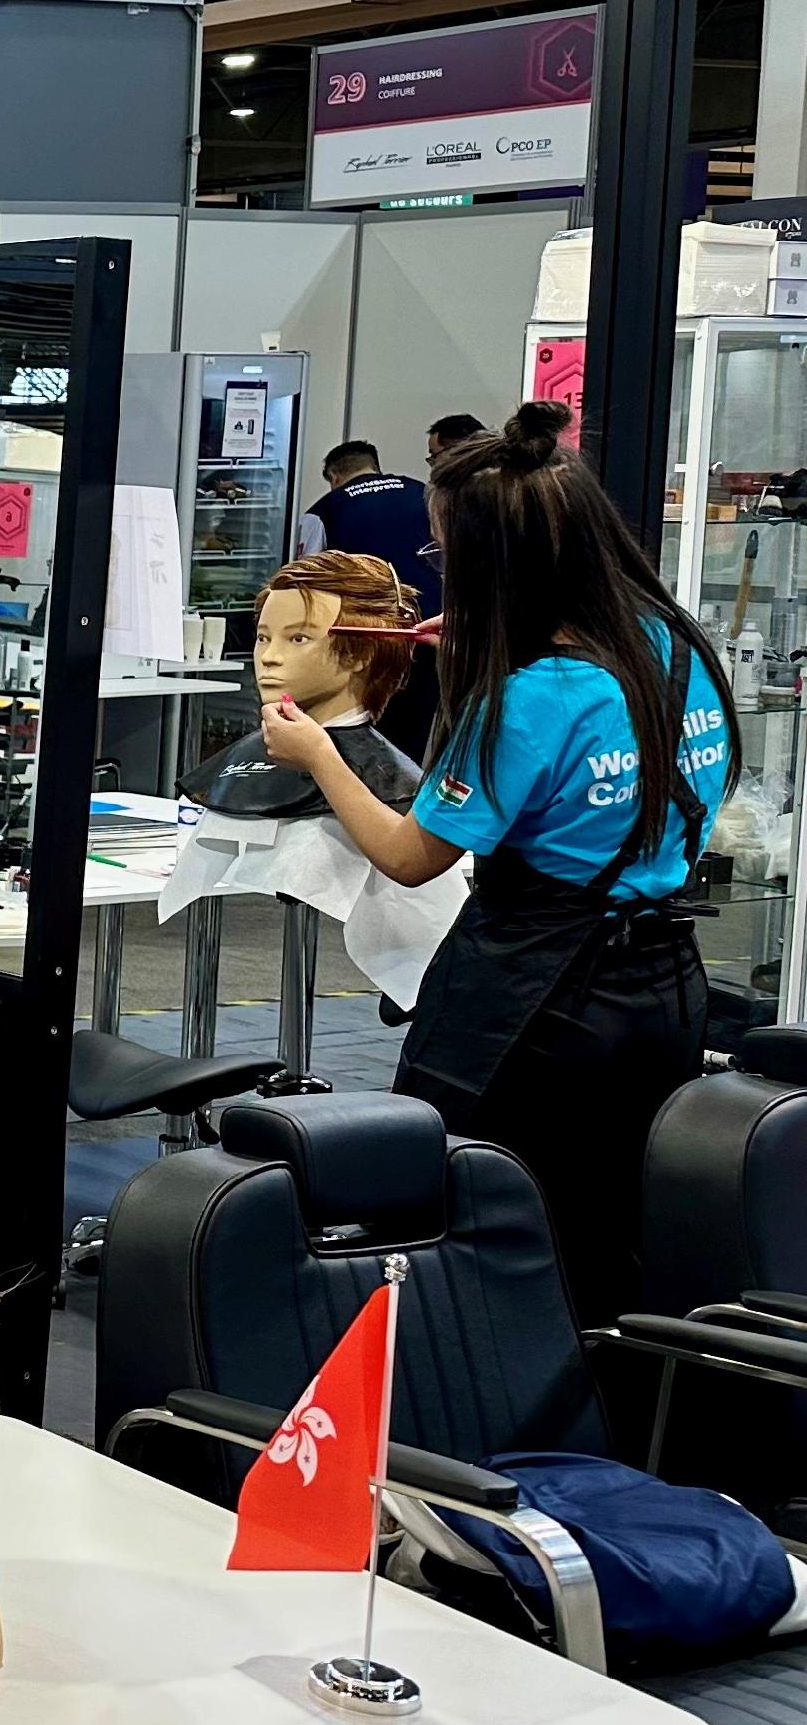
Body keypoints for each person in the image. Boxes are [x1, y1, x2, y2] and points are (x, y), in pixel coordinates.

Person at [260, 402, 732, 1324]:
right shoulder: (673, 649)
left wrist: (320, 753)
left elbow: (409, 856)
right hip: (664, 989)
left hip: (539, 1008)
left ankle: (473, 1402)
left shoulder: (524, 698)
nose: (441, 571)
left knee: (482, 1215)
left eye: (446, 554)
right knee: (607, 1218)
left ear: (497, 559)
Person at [301, 443, 438, 615]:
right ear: (375, 467)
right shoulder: (423, 492)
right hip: (430, 612)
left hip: (366, 618)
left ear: (334, 477)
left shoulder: (322, 511)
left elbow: (308, 577)